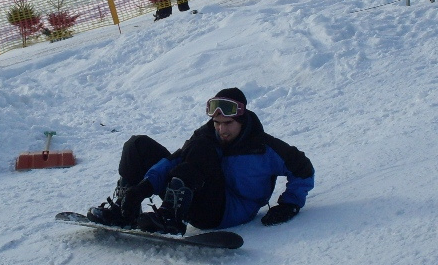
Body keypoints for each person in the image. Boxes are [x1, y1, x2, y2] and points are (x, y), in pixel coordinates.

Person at [88, 88, 314, 235]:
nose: (221, 130)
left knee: (201, 148)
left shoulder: (263, 147)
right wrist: (142, 189)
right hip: (196, 196)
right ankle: (124, 209)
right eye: (217, 123)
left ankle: (172, 217)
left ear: (242, 121)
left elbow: (303, 168)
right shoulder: (206, 137)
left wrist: (290, 204)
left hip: (226, 211)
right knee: (138, 145)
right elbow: (171, 162)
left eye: (228, 124)